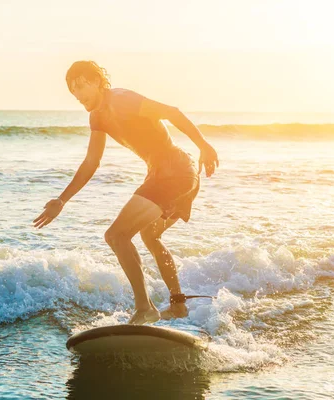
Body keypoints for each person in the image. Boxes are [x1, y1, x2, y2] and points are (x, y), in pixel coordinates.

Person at [33, 61, 219, 325]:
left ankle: (146, 309)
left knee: (116, 235)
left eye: (81, 85)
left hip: (174, 172)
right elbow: (91, 163)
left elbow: (172, 112)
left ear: (97, 81)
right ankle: (178, 305)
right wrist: (62, 200)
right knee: (149, 235)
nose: (77, 94)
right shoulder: (97, 117)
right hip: (165, 175)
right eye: (72, 90)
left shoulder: (122, 100)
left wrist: (204, 146)